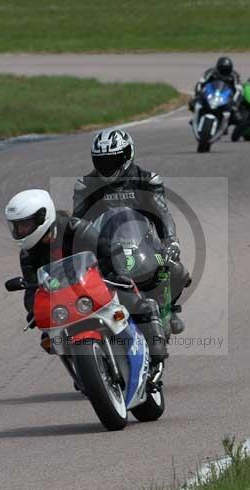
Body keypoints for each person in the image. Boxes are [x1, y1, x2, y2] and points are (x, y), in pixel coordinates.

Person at [5, 188, 169, 365]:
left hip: (96, 285)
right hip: (64, 298)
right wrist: (33, 309)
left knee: (137, 305)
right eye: (17, 226)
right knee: (51, 339)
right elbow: (32, 287)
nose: (21, 231)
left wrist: (116, 275)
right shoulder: (28, 255)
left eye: (25, 225)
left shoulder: (75, 229)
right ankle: (83, 369)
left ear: (42, 217)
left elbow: (105, 253)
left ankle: (154, 352)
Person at [73, 128, 191, 335]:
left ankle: (169, 308)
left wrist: (171, 241)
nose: (106, 167)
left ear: (128, 155)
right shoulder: (86, 185)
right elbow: (77, 222)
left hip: (144, 243)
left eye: (112, 161)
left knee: (178, 270)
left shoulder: (147, 180)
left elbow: (162, 213)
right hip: (104, 248)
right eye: (102, 162)